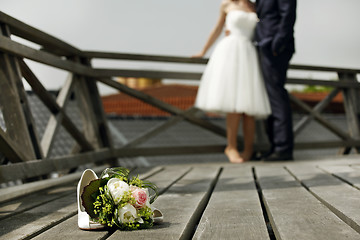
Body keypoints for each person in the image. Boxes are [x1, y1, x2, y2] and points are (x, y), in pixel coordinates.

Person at [193, 0, 271, 163]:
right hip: (231, 53)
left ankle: (249, 150)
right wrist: (203, 51)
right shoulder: (226, 4)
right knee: (234, 106)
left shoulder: (255, 6)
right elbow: (217, 28)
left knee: (250, 108)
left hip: (250, 54)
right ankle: (231, 147)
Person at [255, 0, 297, 161]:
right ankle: (274, 146)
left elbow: (288, 14)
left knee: (276, 96)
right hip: (264, 45)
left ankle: (283, 147)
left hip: (274, 46)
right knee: (270, 97)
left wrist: (277, 44)